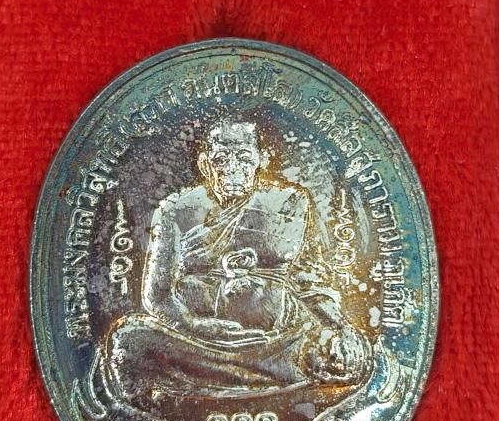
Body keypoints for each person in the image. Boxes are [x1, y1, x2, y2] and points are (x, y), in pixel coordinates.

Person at [104, 120, 371, 402]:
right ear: (205, 164)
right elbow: (157, 297)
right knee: (128, 340)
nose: (232, 168)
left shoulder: (290, 202)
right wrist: (195, 325)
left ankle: (240, 383)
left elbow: (310, 280)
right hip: (199, 343)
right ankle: (255, 385)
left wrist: (342, 327)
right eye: (221, 159)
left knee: (344, 357)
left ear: (261, 161)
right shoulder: (176, 209)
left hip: (276, 344)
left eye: (244, 158)